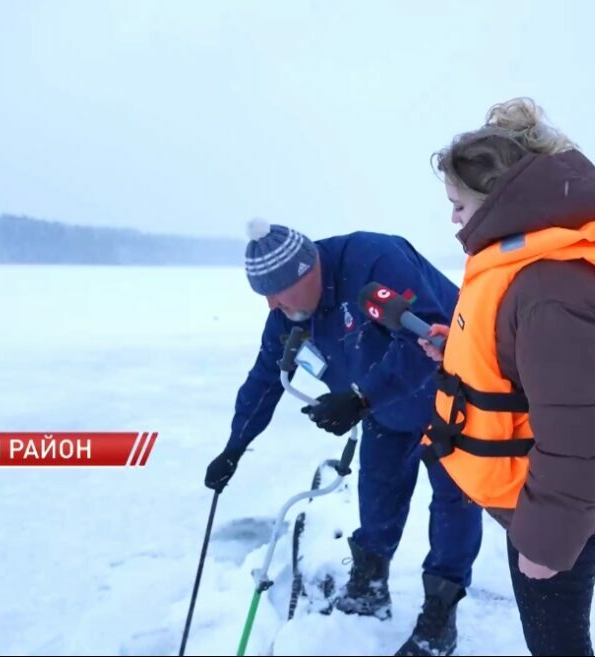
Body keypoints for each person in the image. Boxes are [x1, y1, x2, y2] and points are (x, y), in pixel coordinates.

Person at [417, 98, 595, 656]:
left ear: (497, 201)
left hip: (558, 499)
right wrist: (459, 352)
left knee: (557, 646)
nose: (453, 218)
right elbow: (535, 370)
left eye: (458, 204)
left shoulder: (552, 288)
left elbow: (579, 436)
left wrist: (547, 544)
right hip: (540, 490)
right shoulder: (532, 266)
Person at [204, 219, 483, 656]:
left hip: (453, 397)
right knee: (378, 493)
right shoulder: (287, 317)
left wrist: (359, 397)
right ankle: (369, 586)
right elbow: (264, 379)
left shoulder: (375, 261)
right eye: (265, 296)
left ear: (308, 271)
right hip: (385, 409)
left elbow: (427, 337)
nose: (273, 305)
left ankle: (440, 614)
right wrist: (234, 448)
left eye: (278, 292)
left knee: (453, 503)